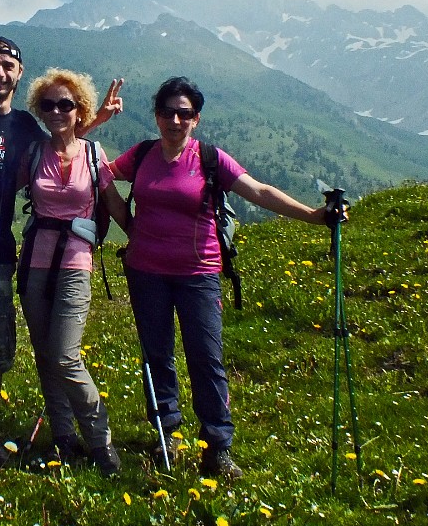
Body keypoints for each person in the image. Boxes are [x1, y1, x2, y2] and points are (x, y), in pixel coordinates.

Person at [110, 76, 335, 480]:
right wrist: (127, 224)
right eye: (167, 112)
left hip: (199, 275)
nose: (175, 120)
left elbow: (260, 192)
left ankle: (217, 447)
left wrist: (314, 217)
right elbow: (99, 176)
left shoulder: (210, 158)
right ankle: (167, 435)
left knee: (206, 359)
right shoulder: (142, 155)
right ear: (156, 116)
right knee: (156, 356)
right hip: (146, 272)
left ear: (196, 119)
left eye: (184, 113)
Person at [0, 37, 123, 467]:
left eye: (8, 66)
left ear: (18, 74)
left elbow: (64, 145)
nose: (0, 72)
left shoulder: (26, 130)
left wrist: (96, 122)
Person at [17, 68, 129, 476]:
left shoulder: (93, 154)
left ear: (78, 109)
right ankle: (63, 439)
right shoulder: (33, 153)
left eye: (66, 104)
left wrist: (140, 242)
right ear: (40, 111)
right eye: (49, 104)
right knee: (46, 356)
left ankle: (99, 441)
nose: (57, 111)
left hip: (75, 262)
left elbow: (114, 205)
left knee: (65, 355)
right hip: (34, 262)